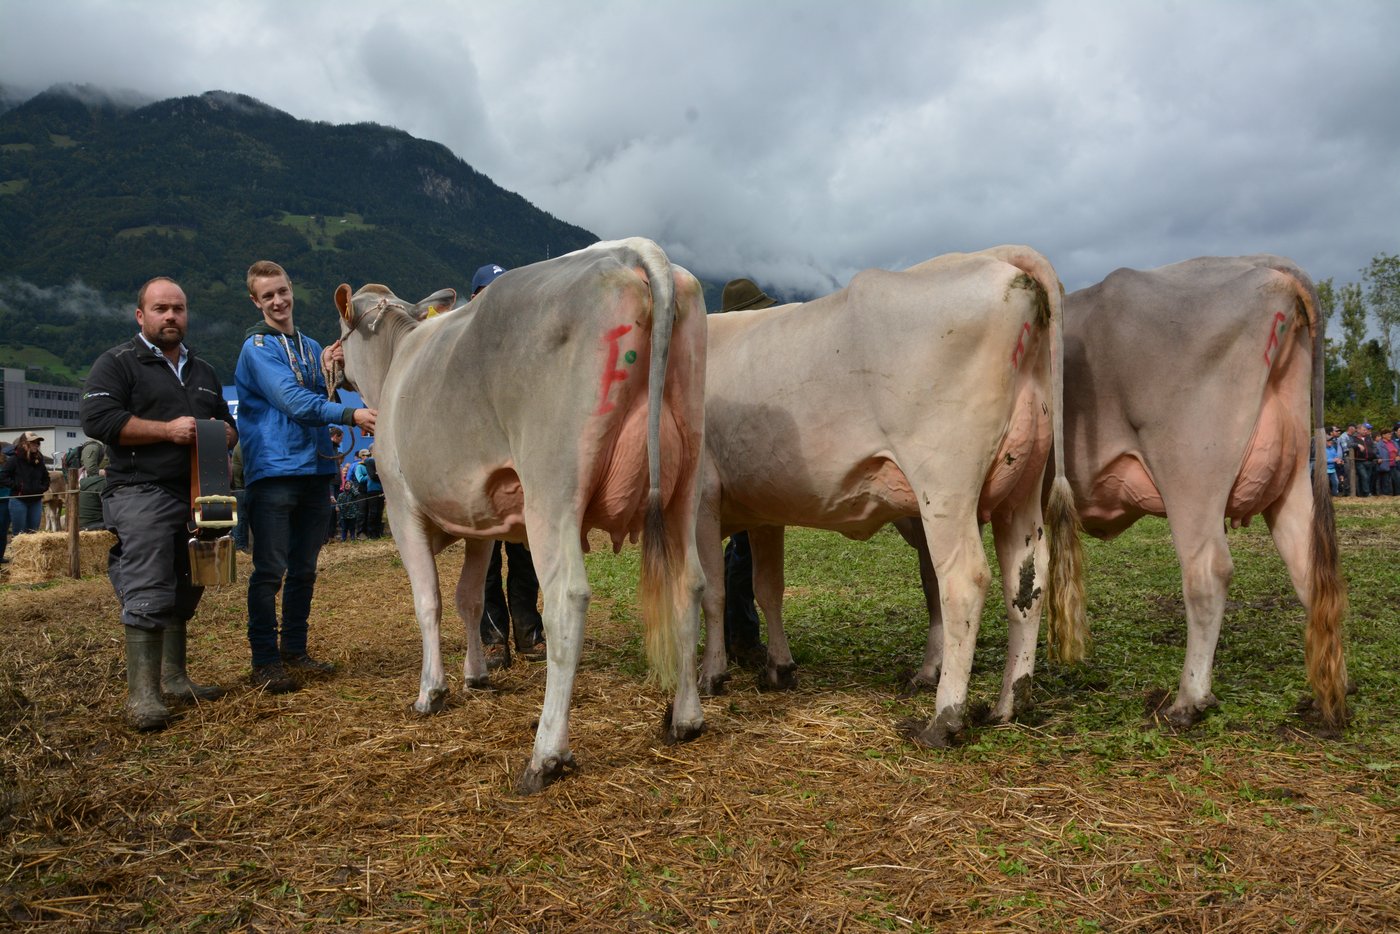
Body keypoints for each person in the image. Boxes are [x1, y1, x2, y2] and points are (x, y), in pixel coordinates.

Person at [79, 276, 238, 731]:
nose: (171, 316)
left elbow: (226, 422)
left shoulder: (203, 371)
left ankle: (174, 677)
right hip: (140, 488)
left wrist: (227, 434)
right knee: (148, 580)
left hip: (200, 492)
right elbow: (97, 419)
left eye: (178, 309)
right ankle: (143, 696)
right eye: (161, 308)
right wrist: (166, 431)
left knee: (191, 580)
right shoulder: (117, 363)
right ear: (141, 315)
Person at [236, 259, 376, 693]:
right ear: (255, 301)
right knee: (269, 570)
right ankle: (264, 660)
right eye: (268, 296)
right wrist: (352, 415)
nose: (278, 301)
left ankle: (295, 650)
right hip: (275, 470)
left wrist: (333, 366)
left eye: (282, 291)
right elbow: (294, 400)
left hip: (316, 468)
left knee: (304, 568)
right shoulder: (257, 348)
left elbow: (320, 388)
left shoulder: (311, 345)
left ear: (291, 288)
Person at [471, 263, 545, 668]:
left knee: (525, 554)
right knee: (483, 558)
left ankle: (529, 632)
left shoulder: (526, 349)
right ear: (475, 298)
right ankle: (493, 638)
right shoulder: (462, 354)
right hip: (479, 470)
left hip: (520, 468)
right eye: (489, 291)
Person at [713, 277, 779, 667]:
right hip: (739, 467)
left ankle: (736, 632)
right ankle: (740, 635)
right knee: (744, 551)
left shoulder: (738, 359)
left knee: (743, 550)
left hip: (747, 465)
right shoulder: (734, 363)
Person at [4, 432, 50, 535]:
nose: (36, 445)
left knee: (33, 533)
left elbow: (46, 477)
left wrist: (42, 488)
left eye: (38, 442)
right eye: (33, 442)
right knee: (19, 534)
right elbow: (3, 477)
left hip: (36, 500)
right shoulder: (14, 459)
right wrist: (17, 486)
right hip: (18, 500)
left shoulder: (39, 460)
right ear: (24, 443)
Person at [351, 444, 385, 538]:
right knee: (363, 512)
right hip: (362, 492)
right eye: (366, 455)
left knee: (373, 512)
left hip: (370, 490)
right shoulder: (359, 466)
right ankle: (361, 533)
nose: (368, 456)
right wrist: (370, 475)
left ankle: (372, 532)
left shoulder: (371, 464)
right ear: (361, 456)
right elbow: (360, 479)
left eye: (369, 455)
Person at [230, 441, 249, 552]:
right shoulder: (242, 445)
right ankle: (239, 546)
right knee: (240, 518)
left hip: (241, 487)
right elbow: (246, 466)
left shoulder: (242, 443)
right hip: (240, 487)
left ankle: (241, 546)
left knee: (242, 518)